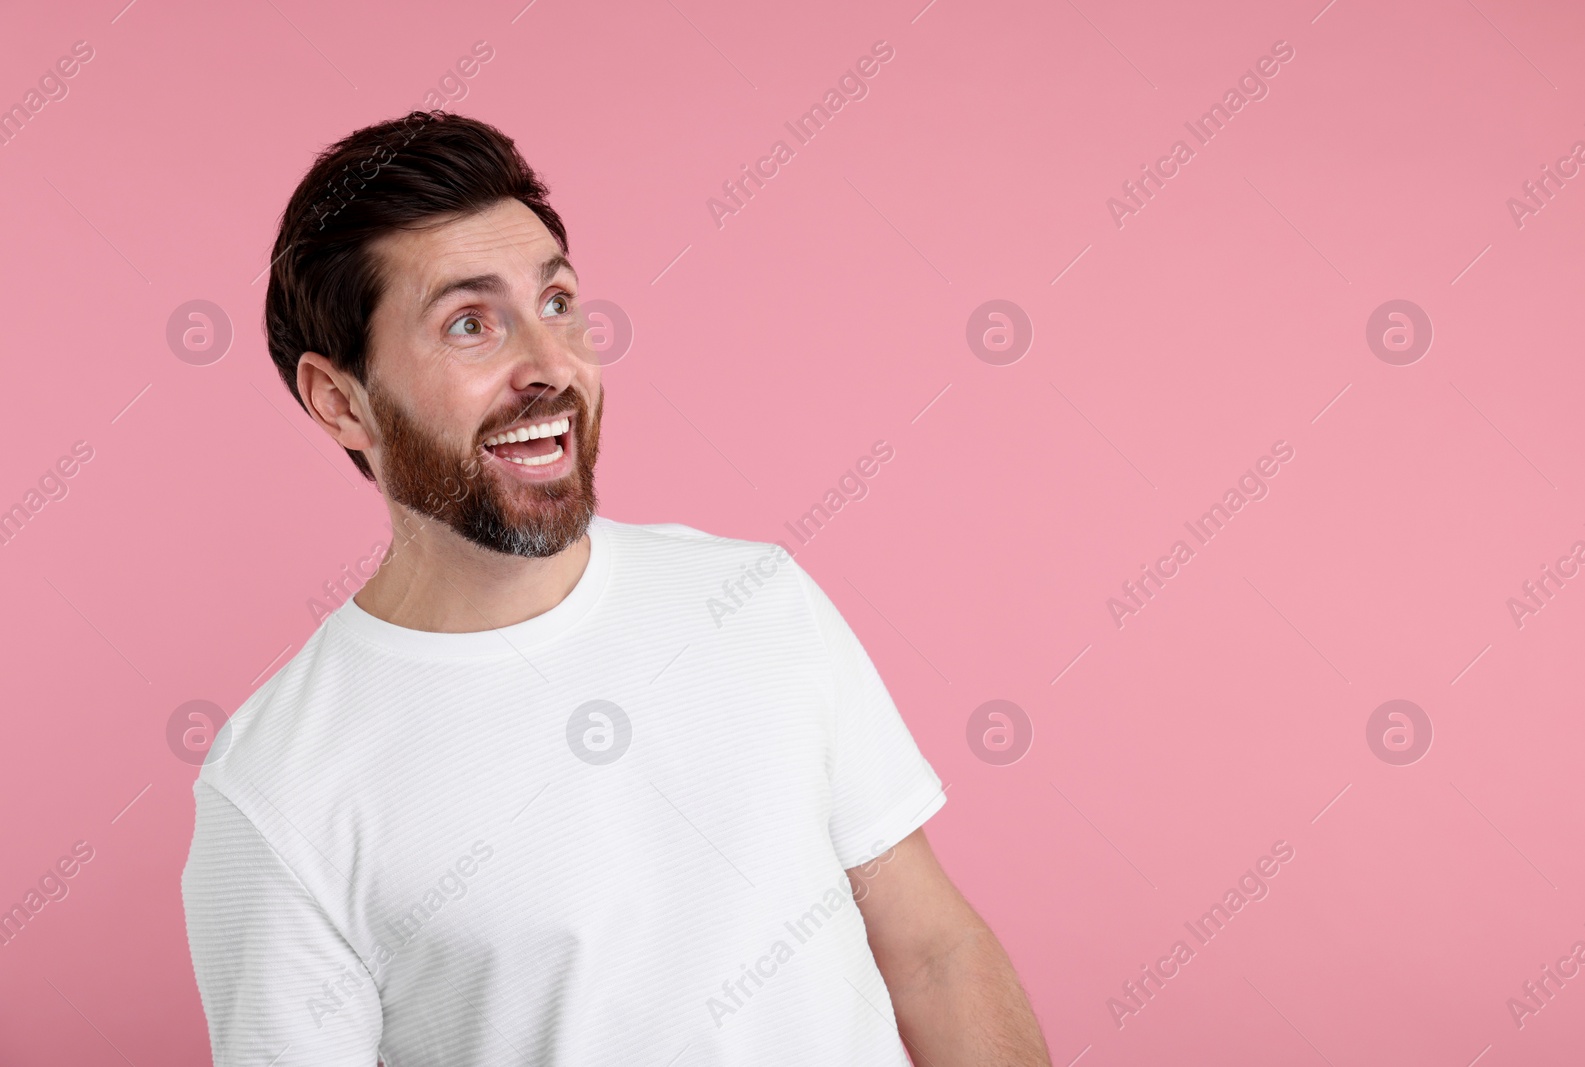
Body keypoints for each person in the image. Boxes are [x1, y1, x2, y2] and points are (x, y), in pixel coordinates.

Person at [180, 109, 1052, 1066]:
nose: (550, 366)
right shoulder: (278, 785)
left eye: (557, 304)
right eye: (470, 323)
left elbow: (932, 955)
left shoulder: (756, 597)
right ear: (340, 399)